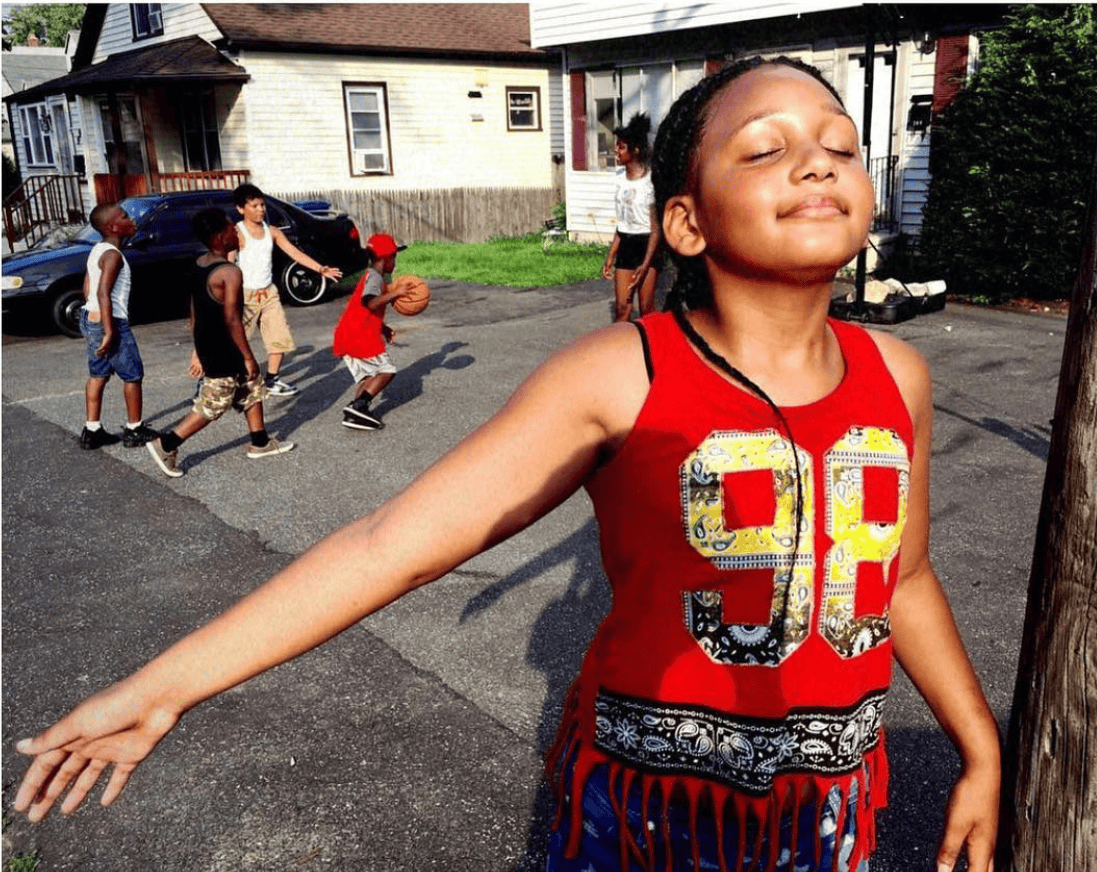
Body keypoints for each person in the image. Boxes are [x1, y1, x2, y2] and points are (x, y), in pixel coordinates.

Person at [13, 58, 1000, 872]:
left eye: (837, 145)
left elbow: (899, 576)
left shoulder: (897, 374)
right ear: (686, 222)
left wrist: (978, 745)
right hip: (647, 821)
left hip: (829, 817)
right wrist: (166, 684)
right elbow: (387, 544)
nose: (816, 164)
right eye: (765, 149)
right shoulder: (621, 371)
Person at [144, 208, 295, 478]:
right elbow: (233, 320)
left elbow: (194, 309)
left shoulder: (201, 263)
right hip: (223, 347)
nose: (237, 233)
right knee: (215, 402)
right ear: (218, 238)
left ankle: (260, 441)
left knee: (251, 386)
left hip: (208, 342)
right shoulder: (229, 272)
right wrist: (247, 356)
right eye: (231, 230)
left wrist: (196, 348)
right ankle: (167, 443)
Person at [231, 183, 343, 397]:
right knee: (235, 342)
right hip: (245, 295)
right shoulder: (237, 233)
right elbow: (227, 263)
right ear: (240, 209)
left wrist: (320, 269)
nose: (261, 209)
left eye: (262, 205)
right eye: (254, 206)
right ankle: (221, 381)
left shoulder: (272, 232)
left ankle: (272, 380)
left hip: (269, 293)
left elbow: (294, 252)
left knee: (279, 337)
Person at [77, 203, 160, 450]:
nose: (131, 218)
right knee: (133, 375)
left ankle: (92, 430)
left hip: (90, 318)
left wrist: (95, 318)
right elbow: (103, 292)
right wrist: (110, 330)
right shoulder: (113, 256)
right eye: (125, 216)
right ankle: (134, 429)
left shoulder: (97, 250)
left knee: (98, 374)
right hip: (111, 321)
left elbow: (88, 288)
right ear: (113, 227)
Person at [332, 233, 408, 431]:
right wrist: (395, 293)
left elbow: (366, 309)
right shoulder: (374, 277)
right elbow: (370, 302)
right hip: (359, 336)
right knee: (387, 370)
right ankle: (359, 406)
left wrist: (383, 328)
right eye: (394, 258)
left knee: (368, 378)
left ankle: (354, 416)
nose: (395, 263)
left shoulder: (371, 276)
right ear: (386, 258)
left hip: (348, 333)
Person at [601, 113, 661, 322]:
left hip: (647, 246)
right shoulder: (619, 180)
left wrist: (646, 264)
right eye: (617, 146)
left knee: (646, 310)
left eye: (621, 147)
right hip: (627, 245)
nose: (616, 151)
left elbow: (656, 230)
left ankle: (650, 352)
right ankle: (621, 351)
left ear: (635, 151)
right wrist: (611, 257)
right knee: (622, 308)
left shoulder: (649, 182)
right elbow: (622, 223)